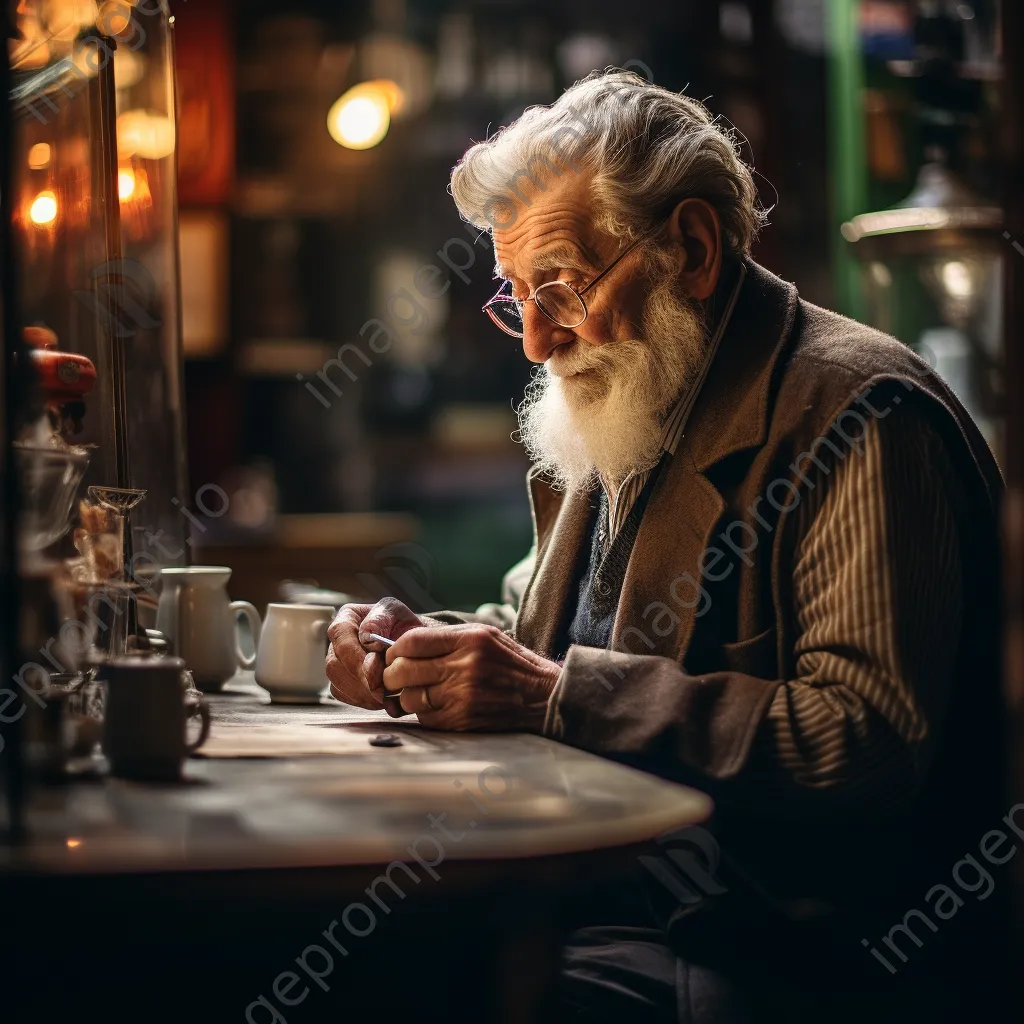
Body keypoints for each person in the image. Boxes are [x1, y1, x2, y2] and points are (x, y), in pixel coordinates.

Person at [327, 72, 1006, 1022]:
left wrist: (551, 693)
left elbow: (866, 741)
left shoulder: (858, 415)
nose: (533, 340)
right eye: (514, 295)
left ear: (689, 247)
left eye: (560, 287)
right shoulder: (636, 386)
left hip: (782, 949)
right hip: (615, 901)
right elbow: (539, 636)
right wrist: (420, 649)